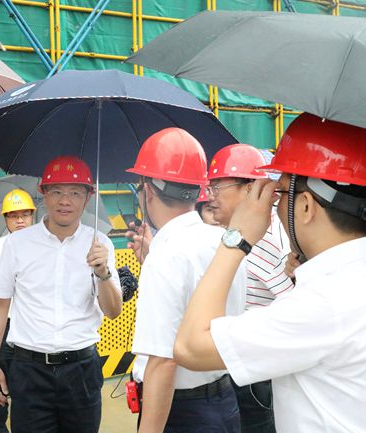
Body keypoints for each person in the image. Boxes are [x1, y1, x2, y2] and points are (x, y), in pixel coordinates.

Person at [174, 113, 366, 433]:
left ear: (306, 206)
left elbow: (190, 347)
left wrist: (237, 238)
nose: (274, 205)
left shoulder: (322, 304)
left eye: (281, 193)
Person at [0, 155, 122, 433]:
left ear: (88, 197)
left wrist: (103, 272)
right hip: (29, 370)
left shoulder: (100, 244)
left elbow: (112, 311)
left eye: (75, 193)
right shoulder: (18, 244)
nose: (65, 201)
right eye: (57, 191)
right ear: (44, 194)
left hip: (81, 370)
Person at [127, 128, 246, 433]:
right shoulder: (224, 241)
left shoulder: (165, 258)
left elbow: (163, 362)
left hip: (181, 412)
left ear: (147, 191)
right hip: (224, 400)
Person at [206, 143, 294, 432]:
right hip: (231, 364)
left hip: (251, 374)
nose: (210, 196)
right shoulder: (226, 234)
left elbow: (291, 304)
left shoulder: (263, 240)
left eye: (218, 187)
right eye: (210, 186)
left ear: (249, 190)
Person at [0, 188, 36, 433]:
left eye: (25, 215)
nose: (20, 221)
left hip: (32, 328)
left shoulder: (44, 247)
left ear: (33, 216)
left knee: (30, 396)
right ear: (5, 219)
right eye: (14, 216)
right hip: (4, 327)